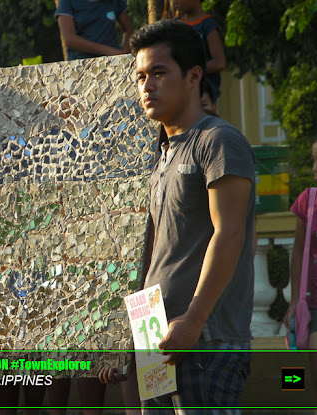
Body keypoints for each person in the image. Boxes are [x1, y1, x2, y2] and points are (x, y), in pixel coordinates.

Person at [102, 20, 256, 413]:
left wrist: (192, 319)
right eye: (140, 76)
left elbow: (230, 235)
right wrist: (127, 334)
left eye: (158, 72)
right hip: (154, 333)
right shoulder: (163, 154)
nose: (146, 85)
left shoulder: (219, 141)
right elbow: (154, 257)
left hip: (205, 338)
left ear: (193, 76)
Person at [284, 129, 317, 412]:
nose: (315, 168)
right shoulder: (308, 201)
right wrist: (294, 301)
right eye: (314, 160)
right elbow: (298, 250)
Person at [174, 0, 225, 102]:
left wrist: (190, 70)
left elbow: (219, 63)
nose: (175, 2)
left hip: (203, 93)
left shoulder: (207, 24)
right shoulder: (175, 25)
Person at [55, 0, 133, 61]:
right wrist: (108, 51)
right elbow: (70, 39)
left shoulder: (115, 1)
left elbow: (128, 30)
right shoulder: (67, 2)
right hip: (81, 64)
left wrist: (125, 54)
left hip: (112, 62)